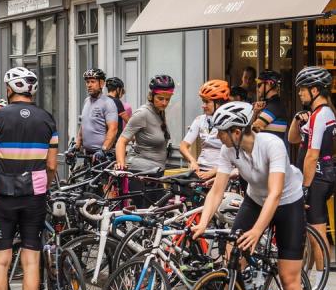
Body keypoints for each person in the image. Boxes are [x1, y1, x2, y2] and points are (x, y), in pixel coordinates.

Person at [192, 101, 309, 290]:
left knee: (289, 277)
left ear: (235, 131)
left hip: (287, 203)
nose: (217, 136)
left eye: (220, 132)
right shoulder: (228, 149)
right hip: (255, 201)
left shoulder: (272, 145)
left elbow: (276, 193)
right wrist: (203, 223)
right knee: (232, 262)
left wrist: (258, 231)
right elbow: (217, 191)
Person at [0, 67, 58, 290]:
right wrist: (43, 184)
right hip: (34, 196)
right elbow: (51, 165)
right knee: (31, 259)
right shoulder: (47, 119)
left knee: (0, 260)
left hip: (3, 194)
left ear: (10, 88)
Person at [288, 66, 336, 290]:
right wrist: (297, 119)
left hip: (317, 178)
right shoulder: (315, 115)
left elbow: (311, 154)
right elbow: (293, 139)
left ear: (315, 90)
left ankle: (323, 285)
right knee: (312, 233)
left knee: (318, 232)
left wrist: (305, 186)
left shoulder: (322, 115)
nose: (300, 94)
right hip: (315, 177)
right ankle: (312, 277)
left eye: (303, 90)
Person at [115, 75, 174, 208]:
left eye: (168, 99)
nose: (164, 103)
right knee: (148, 219)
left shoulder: (159, 112)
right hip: (142, 174)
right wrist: (121, 164)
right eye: (160, 98)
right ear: (151, 96)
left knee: (157, 216)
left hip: (155, 174)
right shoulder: (142, 114)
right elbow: (121, 141)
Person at [179, 80, 229, 181]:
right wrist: (193, 161)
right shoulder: (200, 120)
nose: (203, 105)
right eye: (203, 101)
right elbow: (183, 146)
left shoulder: (229, 123)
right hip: (201, 170)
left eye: (207, 102)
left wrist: (212, 172)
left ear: (219, 103)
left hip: (221, 171)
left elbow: (235, 157)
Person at [76, 69, 118, 156]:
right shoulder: (86, 101)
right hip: (87, 155)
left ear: (101, 83)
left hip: (103, 156)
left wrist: (104, 149)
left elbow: (113, 129)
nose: (89, 85)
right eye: (87, 82)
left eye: (92, 82)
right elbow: (83, 125)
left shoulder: (108, 103)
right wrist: (77, 146)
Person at [253, 70, 289, 148]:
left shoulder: (274, 106)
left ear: (269, 84)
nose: (257, 88)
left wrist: (254, 113)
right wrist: (256, 112)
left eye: (259, 85)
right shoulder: (273, 105)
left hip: (272, 154)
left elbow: (252, 131)